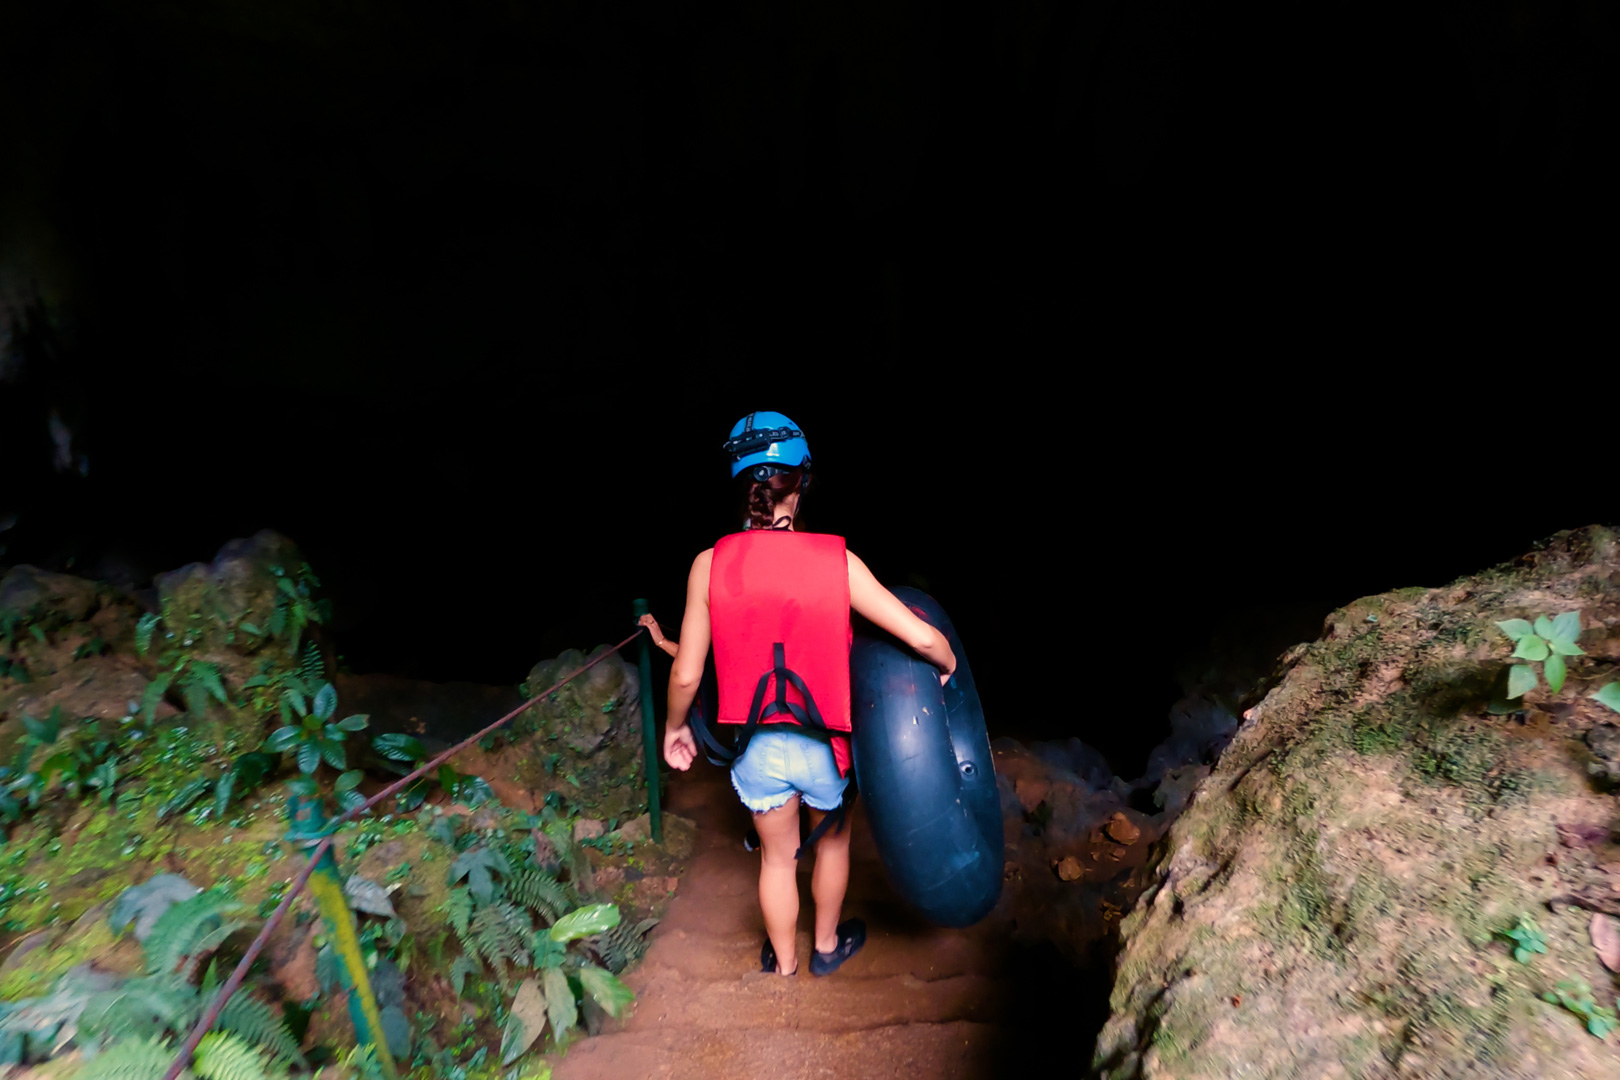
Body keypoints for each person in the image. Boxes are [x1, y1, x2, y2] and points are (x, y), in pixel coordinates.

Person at [660, 411, 957, 977]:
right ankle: (825, 949)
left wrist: (676, 728)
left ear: (742, 486)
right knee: (833, 845)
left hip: (758, 751)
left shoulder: (708, 565)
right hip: (827, 748)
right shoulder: (837, 562)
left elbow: (686, 675)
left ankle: (786, 964)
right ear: (803, 483)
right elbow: (921, 636)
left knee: (776, 859)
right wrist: (945, 667)